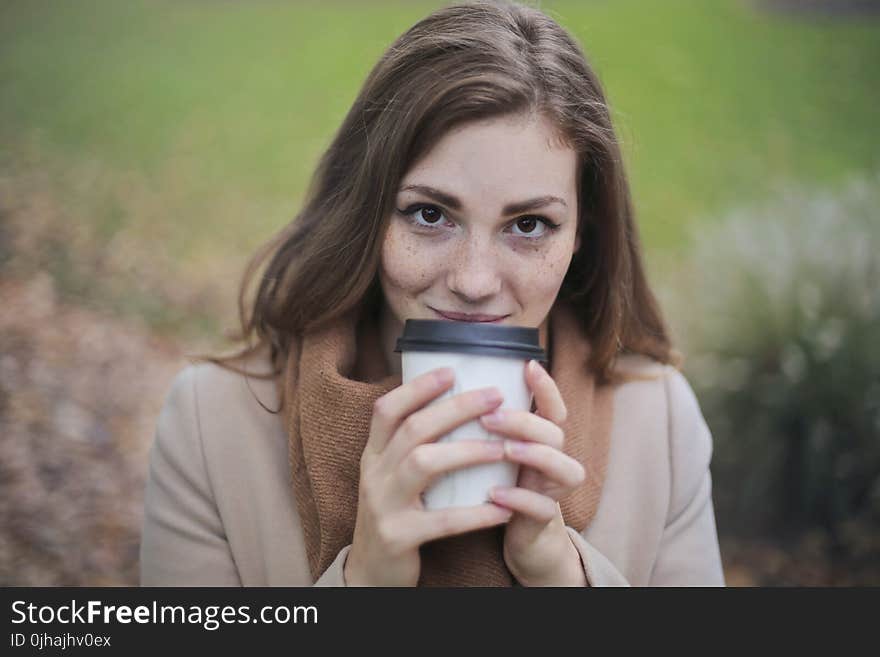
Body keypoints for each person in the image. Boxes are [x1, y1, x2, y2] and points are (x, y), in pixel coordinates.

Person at [139, 0, 725, 587]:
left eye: (528, 226)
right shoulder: (214, 422)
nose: (473, 281)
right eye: (428, 214)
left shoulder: (659, 422)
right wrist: (363, 583)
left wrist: (562, 576)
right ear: (367, 211)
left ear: (581, 235)